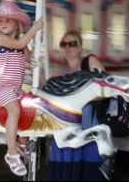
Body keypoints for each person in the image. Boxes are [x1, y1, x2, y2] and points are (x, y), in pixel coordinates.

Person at [0, 0, 43, 176]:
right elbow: (19, 44)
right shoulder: (0, 39)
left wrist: (37, 44)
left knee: (29, 106)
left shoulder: (21, 42)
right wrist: (35, 28)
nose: (2, 23)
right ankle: (11, 153)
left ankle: (21, 141)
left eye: (7, 20)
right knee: (15, 109)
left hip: (13, 89)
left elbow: (29, 58)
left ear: (16, 23)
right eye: (0, 20)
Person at [45, 31, 107, 181]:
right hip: (64, 129)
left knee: (87, 171)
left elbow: (106, 88)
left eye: (72, 44)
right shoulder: (58, 73)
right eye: (64, 44)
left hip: (87, 126)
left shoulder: (89, 62)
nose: (68, 47)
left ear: (80, 47)